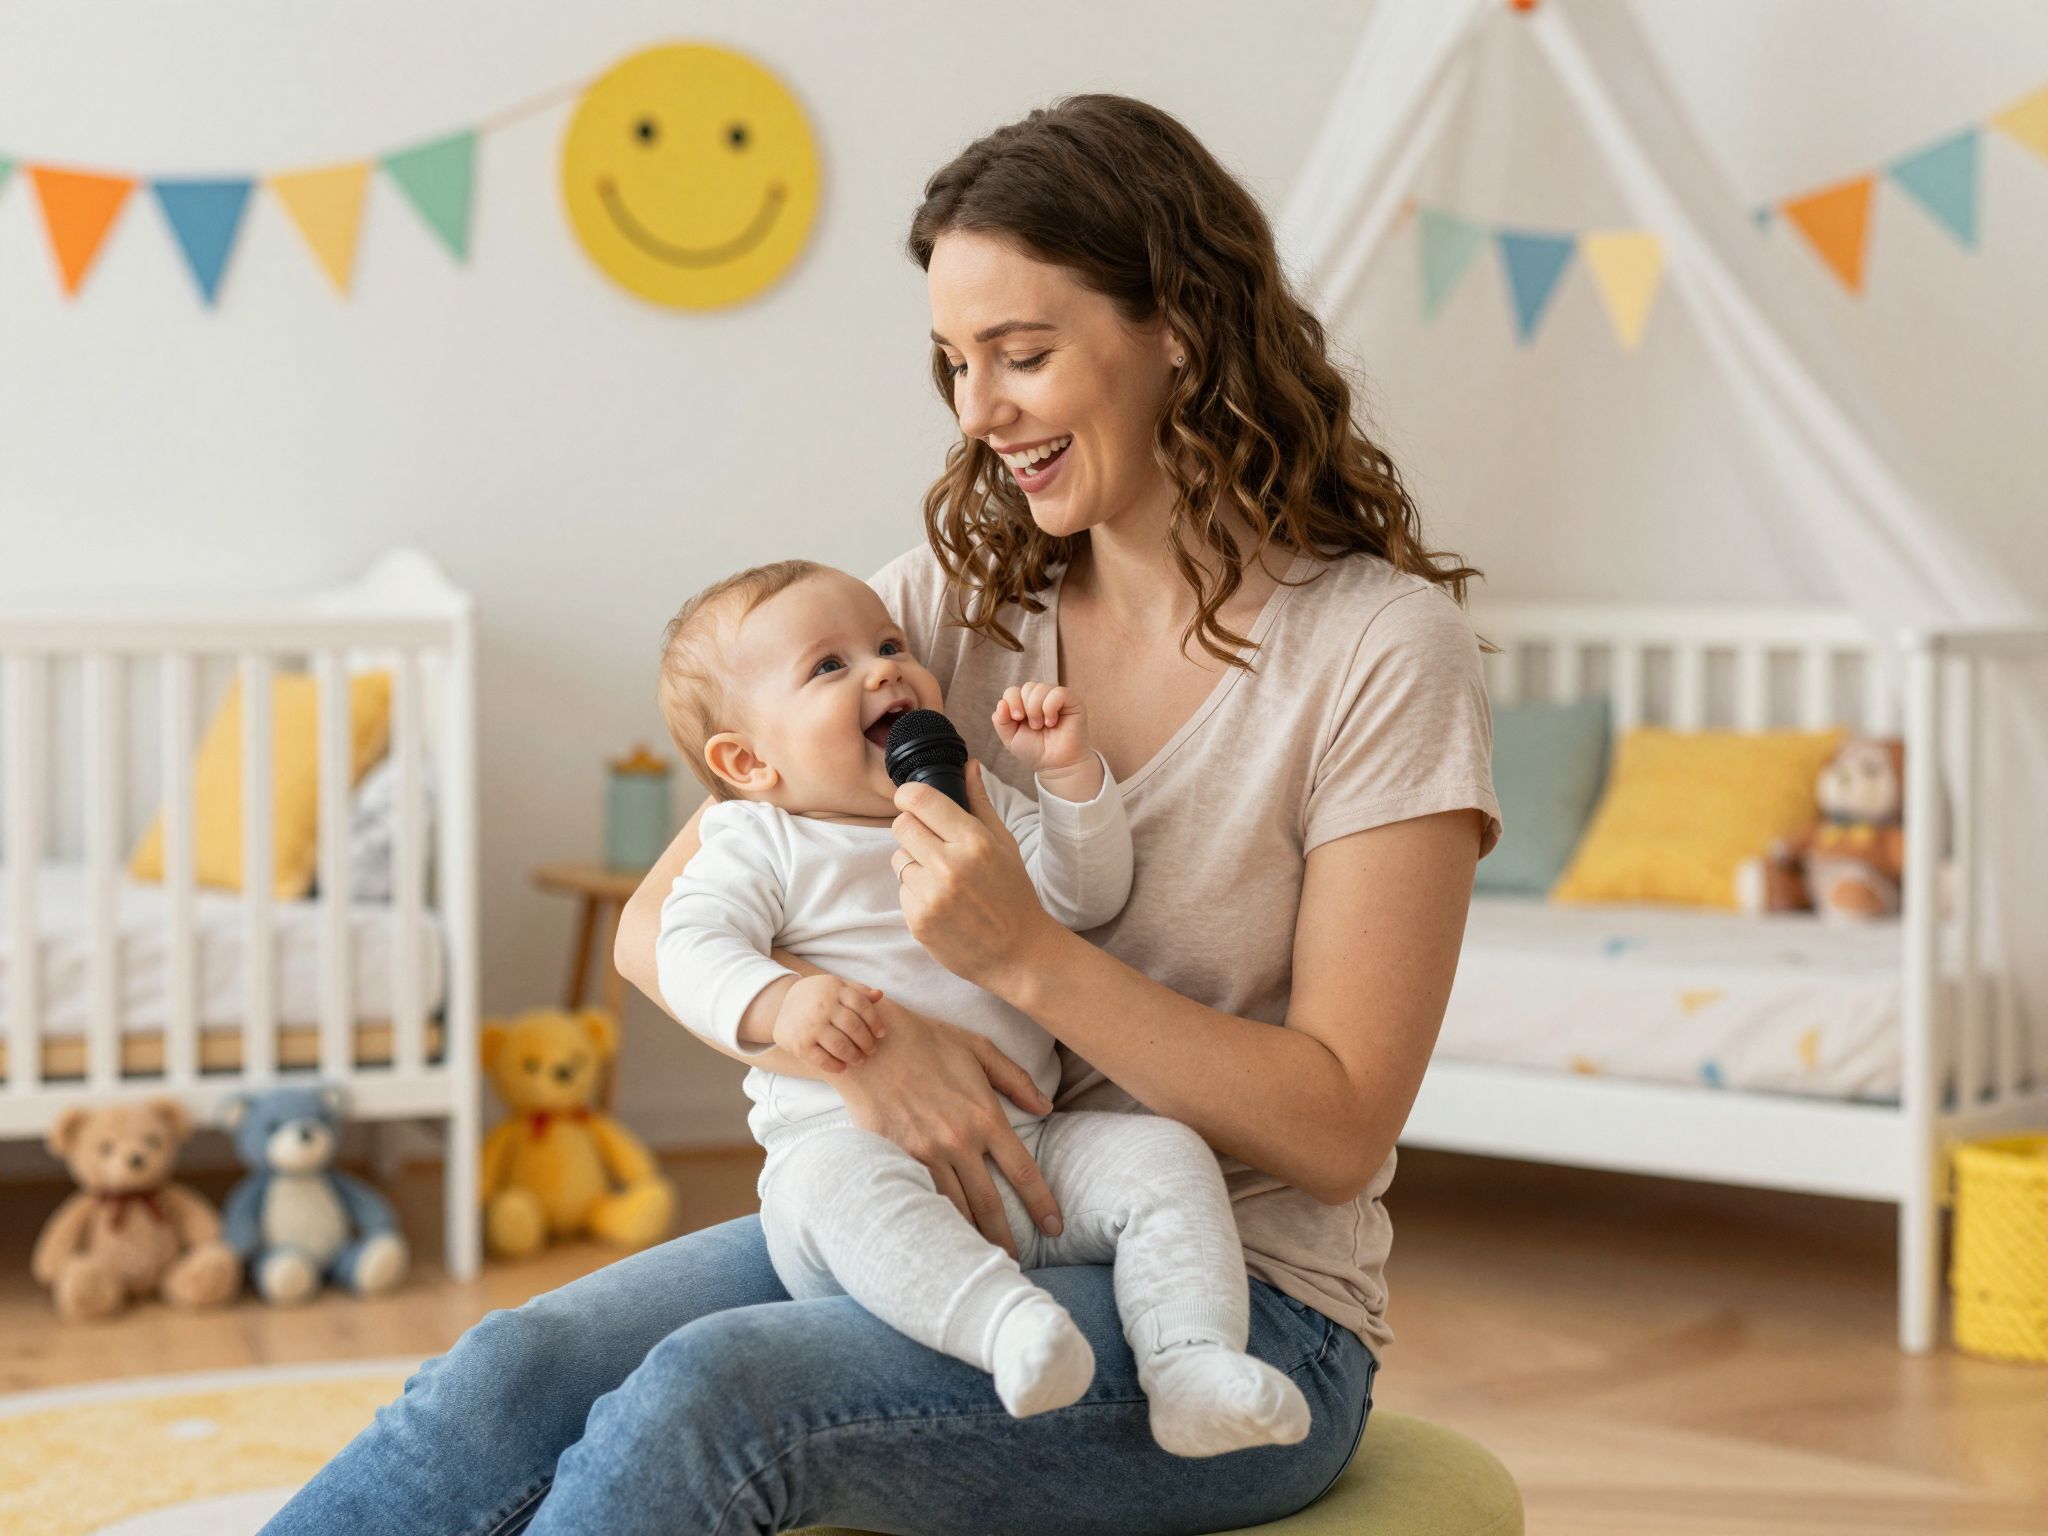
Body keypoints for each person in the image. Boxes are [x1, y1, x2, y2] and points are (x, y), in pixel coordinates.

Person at [263, 92, 1500, 1536]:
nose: (980, 413)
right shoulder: (949, 604)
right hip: (931, 1220)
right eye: (955, 364)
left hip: (1238, 1303)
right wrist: (859, 1038)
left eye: (1022, 355)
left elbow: (1344, 1124)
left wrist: (1029, 959)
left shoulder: (1375, 652)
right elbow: (665, 922)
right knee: (512, 1367)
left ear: (1180, 324)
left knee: (711, 1401)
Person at [653, 557, 1311, 1454]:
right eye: (829, 667)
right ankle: (1008, 1329)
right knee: (828, 1187)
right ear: (747, 762)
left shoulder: (970, 798)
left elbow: (1082, 899)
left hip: (1034, 1154)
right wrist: (783, 1003)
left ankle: (1190, 1366)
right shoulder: (757, 839)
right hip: (857, 1160)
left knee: (1164, 1156)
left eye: (888, 645)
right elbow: (683, 946)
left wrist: (1069, 779)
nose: (885, 670)